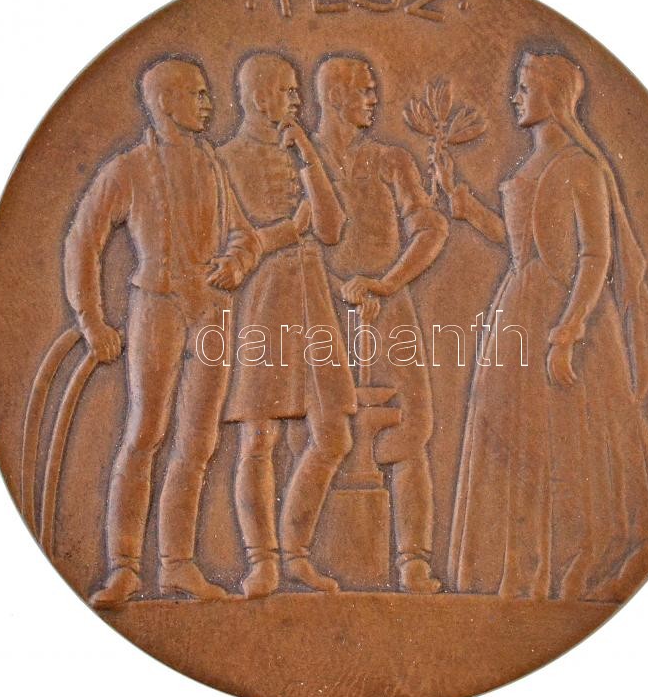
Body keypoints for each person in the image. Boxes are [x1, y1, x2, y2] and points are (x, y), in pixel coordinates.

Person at [436, 51, 648, 602]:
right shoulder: (532, 164)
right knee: (511, 435)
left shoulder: (581, 166)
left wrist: (568, 330)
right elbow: (519, 244)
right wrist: (462, 202)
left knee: (567, 442)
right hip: (518, 307)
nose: (515, 95)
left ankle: (573, 564)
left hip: (564, 318)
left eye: (524, 85)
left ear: (554, 96)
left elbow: (595, 255)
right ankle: (524, 569)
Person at [64, 56, 260, 608]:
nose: (208, 103)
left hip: (213, 313)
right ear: (167, 102)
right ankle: (125, 568)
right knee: (145, 432)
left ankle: (178, 566)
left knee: (199, 441)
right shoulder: (129, 169)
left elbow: (244, 235)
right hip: (156, 308)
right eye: (197, 94)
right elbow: (83, 240)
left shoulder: (213, 165)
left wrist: (235, 263)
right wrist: (92, 320)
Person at [217, 52, 357, 598]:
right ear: (259, 97)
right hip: (262, 302)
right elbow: (235, 244)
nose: (298, 101)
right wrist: (286, 232)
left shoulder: (301, 152)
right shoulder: (225, 160)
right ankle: (262, 561)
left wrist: (308, 158)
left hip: (312, 299)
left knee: (333, 435)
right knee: (258, 436)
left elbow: (332, 228)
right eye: (288, 92)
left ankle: (296, 553)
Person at [313, 55, 448, 593]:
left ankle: (413, 561)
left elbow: (431, 229)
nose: (374, 99)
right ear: (336, 97)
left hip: (392, 313)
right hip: (316, 313)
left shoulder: (391, 160)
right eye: (365, 91)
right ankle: (296, 560)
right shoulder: (298, 158)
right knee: (314, 433)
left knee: (412, 428)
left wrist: (386, 284)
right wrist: (336, 288)